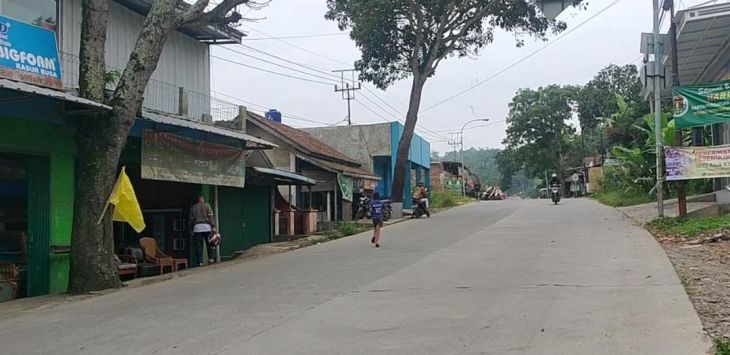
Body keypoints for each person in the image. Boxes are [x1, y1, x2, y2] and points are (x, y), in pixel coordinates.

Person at [188, 194, 216, 266]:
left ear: (197, 199)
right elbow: (210, 216)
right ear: (203, 199)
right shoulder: (207, 206)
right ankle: (211, 259)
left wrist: (191, 228)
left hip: (197, 228)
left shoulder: (193, 207)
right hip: (207, 227)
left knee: (199, 246)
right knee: (209, 243)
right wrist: (213, 226)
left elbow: (191, 219)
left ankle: (200, 262)